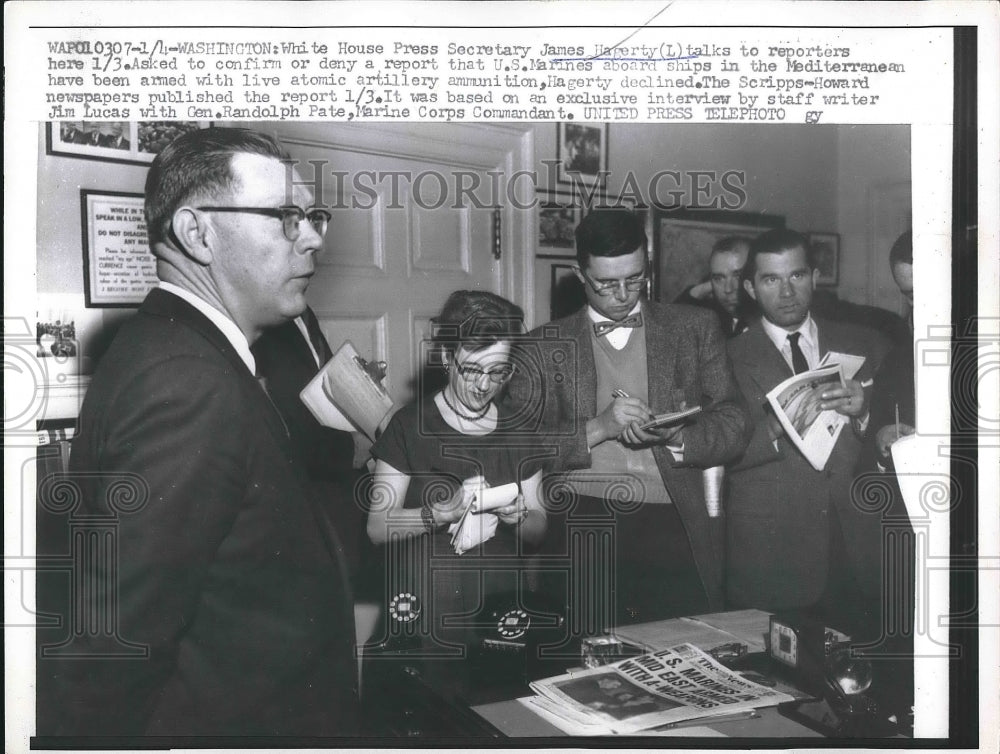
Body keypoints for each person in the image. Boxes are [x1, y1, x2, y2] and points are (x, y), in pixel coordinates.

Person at [37, 127, 358, 736]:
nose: (313, 238)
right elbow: (109, 659)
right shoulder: (186, 381)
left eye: (313, 215)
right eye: (286, 217)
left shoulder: (182, 350)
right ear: (197, 233)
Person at [506, 209, 751, 627]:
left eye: (635, 279)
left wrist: (678, 436)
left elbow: (734, 422)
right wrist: (598, 428)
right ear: (579, 274)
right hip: (581, 520)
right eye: (606, 283)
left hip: (673, 521)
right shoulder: (541, 347)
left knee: (679, 656)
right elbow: (519, 450)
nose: (622, 294)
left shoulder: (694, 327)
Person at [365, 290, 547, 655]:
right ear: (447, 357)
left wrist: (519, 516)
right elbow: (377, 528)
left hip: (498, 604)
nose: (484, 386)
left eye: (499, 372)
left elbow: (540, 527)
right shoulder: (408, 427)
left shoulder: (519, 431)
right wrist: (438, 513)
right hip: (424, 604)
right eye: (473, 370)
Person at [725, 228, 890, 617]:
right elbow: (712, 451)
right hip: (774, 553)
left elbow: (902, 433)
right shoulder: (725, 357)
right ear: (750, 287)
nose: (786, 292)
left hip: (858, 544)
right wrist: (773, 428)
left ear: (815, 277)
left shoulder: (868, 344)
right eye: (771, 279)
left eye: (796, 276)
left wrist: (866, 412)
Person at [675, 236, 753, 338]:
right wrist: (699, 291)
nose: (728, 289)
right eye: (719, 278)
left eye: (738, 276)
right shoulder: (713, 323)